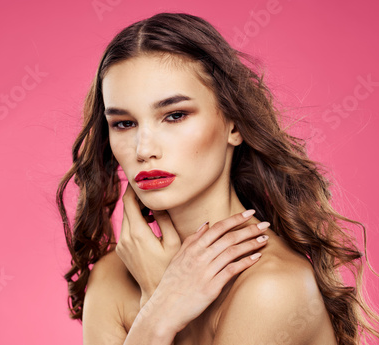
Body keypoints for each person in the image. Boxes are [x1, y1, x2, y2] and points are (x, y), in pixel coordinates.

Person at [56, 12, 379, 345]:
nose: (144, 149)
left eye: (175, 115)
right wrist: (158, 313)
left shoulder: (272, 287)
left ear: (234, 125)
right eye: (124, 123)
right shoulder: (111, 278)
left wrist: (161, 305)